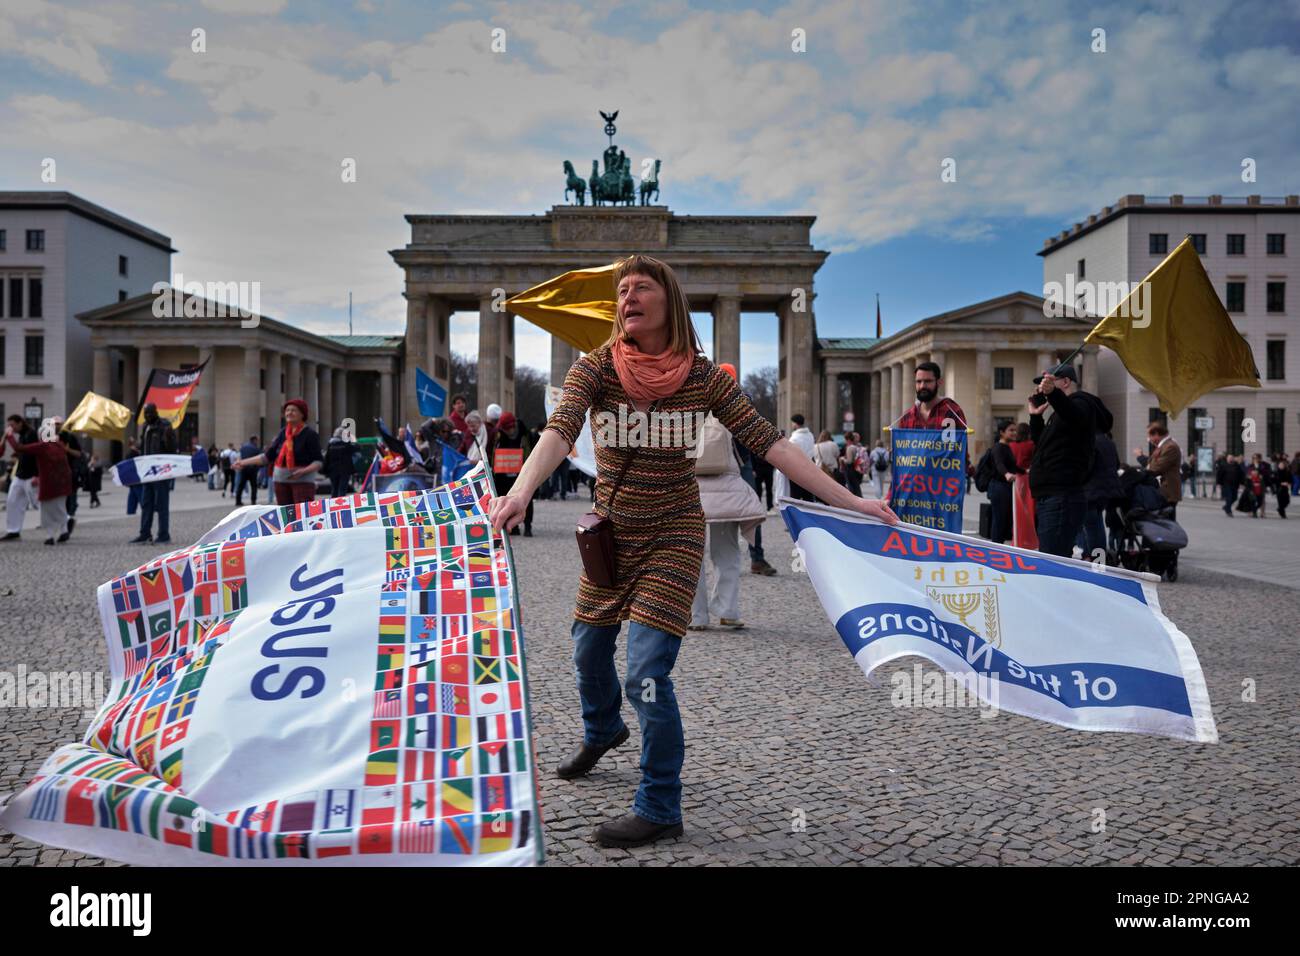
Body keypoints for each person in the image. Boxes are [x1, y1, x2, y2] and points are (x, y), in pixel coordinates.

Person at [487, 254, 898, 849]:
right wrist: (520, 491)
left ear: (670, 302)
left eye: (640, 287)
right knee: (587, 650)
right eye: (621, 289)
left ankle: (659, 805)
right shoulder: (597, 368)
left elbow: (771, 446)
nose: (626, 296)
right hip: (611, 535)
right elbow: (559, 430)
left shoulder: (704, 378)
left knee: (647, 673)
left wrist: (852, 503)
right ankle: (602, 731)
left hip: (675, 535)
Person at [690, 406, 767, 629]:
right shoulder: (731, 407)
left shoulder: (681, 406)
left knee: (691, 555)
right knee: (727, 552)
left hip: (690, 487)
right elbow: (745, 452)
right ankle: (728, 610)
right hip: (726, 488)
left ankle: (696, 616)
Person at [1027, 365, 1111, 557]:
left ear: (1065, 382)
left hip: (1061, 496)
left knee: (1052, 559)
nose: (1041, 388)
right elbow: (1042, 447)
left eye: (1048, 382)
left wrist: (1054, 395)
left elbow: (1076, 416)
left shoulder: (1082, 403)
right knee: (1051, 555)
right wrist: (1036, 418)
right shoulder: (1061, 413)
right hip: (1051, 496)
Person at [233, 399, 323, 506]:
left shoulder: (310, 434)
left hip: (302, 482)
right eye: (287, 410)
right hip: (280, 481)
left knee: (302, 515)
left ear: (302, 414)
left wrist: (303, 471)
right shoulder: (283, 433)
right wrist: (242, 462)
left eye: (293, 410)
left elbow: (318, 461)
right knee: (284, 515)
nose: (289, 413)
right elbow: (267, 456)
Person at [13, 421, 80, 544]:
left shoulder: (42, 446)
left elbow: (19, 448)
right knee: (60, 509)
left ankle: (50, 536)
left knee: (47, 511)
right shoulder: (59, 445)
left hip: (49, 484)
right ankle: (64, 531)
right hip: (63, 483)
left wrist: (9, 436)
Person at [130, 403, 177, 544]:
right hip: (147, 472)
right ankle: (145, 533)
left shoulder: (165, 426)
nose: (148, 416)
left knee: (162, 505)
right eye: (146, 413)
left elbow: (172, 449)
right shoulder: (146, 427)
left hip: (161, 472)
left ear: (156, 412)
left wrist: (168, 438)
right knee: (146, 504)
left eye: (150, 413)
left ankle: (164, 535)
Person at [487, 412, 534, 535]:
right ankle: (513, 527)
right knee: (506, 499)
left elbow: (530, 452)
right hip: (503, 474)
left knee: (525, 500)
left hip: (522, 473)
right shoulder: (499, 434)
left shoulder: (524, 434)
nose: (505, 431)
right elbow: (493, 451)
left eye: (506, 429)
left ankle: (528, 526)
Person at [2, 414, 39, 540]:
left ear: (20, 423)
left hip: (31, 475)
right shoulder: (23, 435)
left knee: (38, 503)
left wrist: (10, 437)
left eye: (12, 425)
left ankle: (65, 520)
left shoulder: (31, 434)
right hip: (20, 475)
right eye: (9, 425)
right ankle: (13, 530)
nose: (11, 428)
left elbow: (21, 449)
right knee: (12, 501)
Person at [987, 421, 1021, 544]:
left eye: (1015, 430)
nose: (1014, 433)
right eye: (1011, 430)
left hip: (1005, 487)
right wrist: (1006, 474)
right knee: (999, 519)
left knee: (1004, 519)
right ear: (1002, 432)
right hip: (998, 487)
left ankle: (999, 545)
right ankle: (996, 547)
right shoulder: (998, 447)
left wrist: (1025, 471)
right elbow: (999, 463)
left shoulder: (1007, 447)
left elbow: (1012, 466)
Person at [1143, 422, 1183, 520]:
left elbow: (1156, 468)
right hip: (1163, 492)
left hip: (1167, 492)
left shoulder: (1170, 447)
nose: (1148, 439)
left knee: (1167, 525)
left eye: (1149, 435)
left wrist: (1143, 470)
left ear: (1156, 434)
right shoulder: (1163, 446)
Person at [786, 414, 815, 501]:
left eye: (792, 423)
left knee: (795, 497)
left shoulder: (794, 438)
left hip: (797, 471)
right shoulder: (810, 435)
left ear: (795, 424)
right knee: (808, 497)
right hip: (809, 469)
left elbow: (791, 456)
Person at [324, 426, 357, 497]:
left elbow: (327, 458)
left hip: (333, 470)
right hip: (344, 470)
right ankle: (341, 506)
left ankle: (333, 506)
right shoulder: (346, 444)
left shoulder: (331, 444)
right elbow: (356, 449)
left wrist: (325, 470)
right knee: (342, 490)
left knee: (334, 489)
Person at [235, 435, 262, 506]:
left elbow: (239, 457)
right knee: (254, 486)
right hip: (253, 470)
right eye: (257, 440)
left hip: (244, 469)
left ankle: (238, 500)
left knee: (241, 485)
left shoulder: (243, 447)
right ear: (254, 440)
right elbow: (259, 459)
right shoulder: (256, 448)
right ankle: (253, 501)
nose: (258, 442)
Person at [123, 438, 142, 515]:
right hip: (136, 477)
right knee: (139, 493)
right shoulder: (133, 453)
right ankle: (144, 508)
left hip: (132, 477)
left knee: (133, 494)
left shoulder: (130, 453)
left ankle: (130, 510)